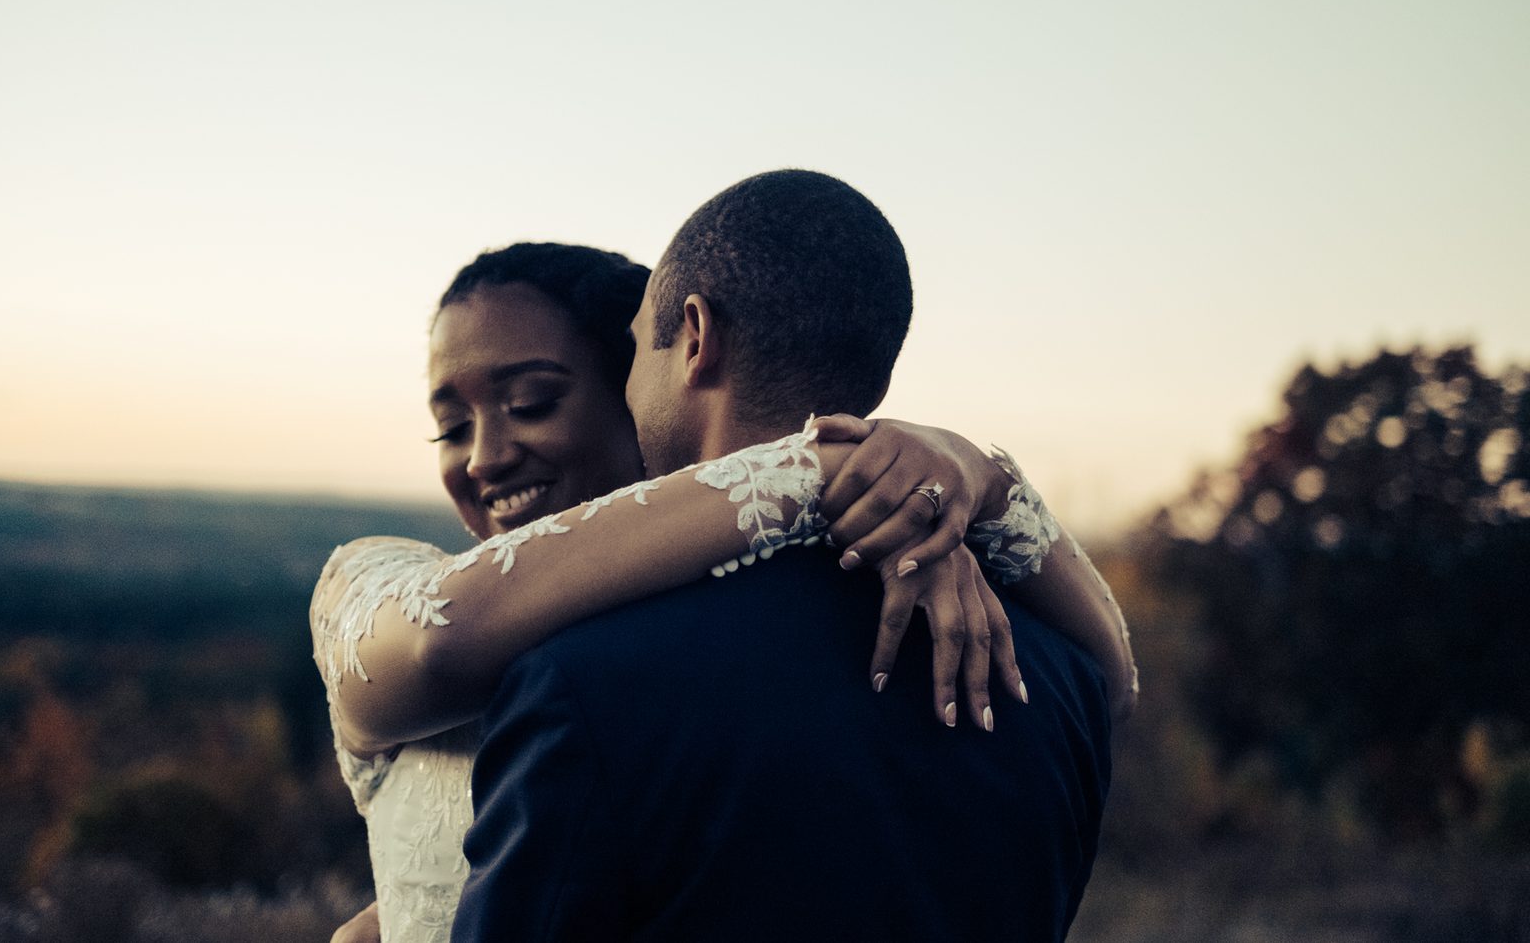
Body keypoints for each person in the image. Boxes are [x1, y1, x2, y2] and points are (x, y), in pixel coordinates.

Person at [314, 236, 1135, 941]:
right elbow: (441, 638)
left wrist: (970, 490)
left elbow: (1115, 681)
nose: (484, 456)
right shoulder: (376, 581)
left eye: (531, 403)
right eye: (449, 427)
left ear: (639, 388)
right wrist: (837, 467)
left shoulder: (614, 671)